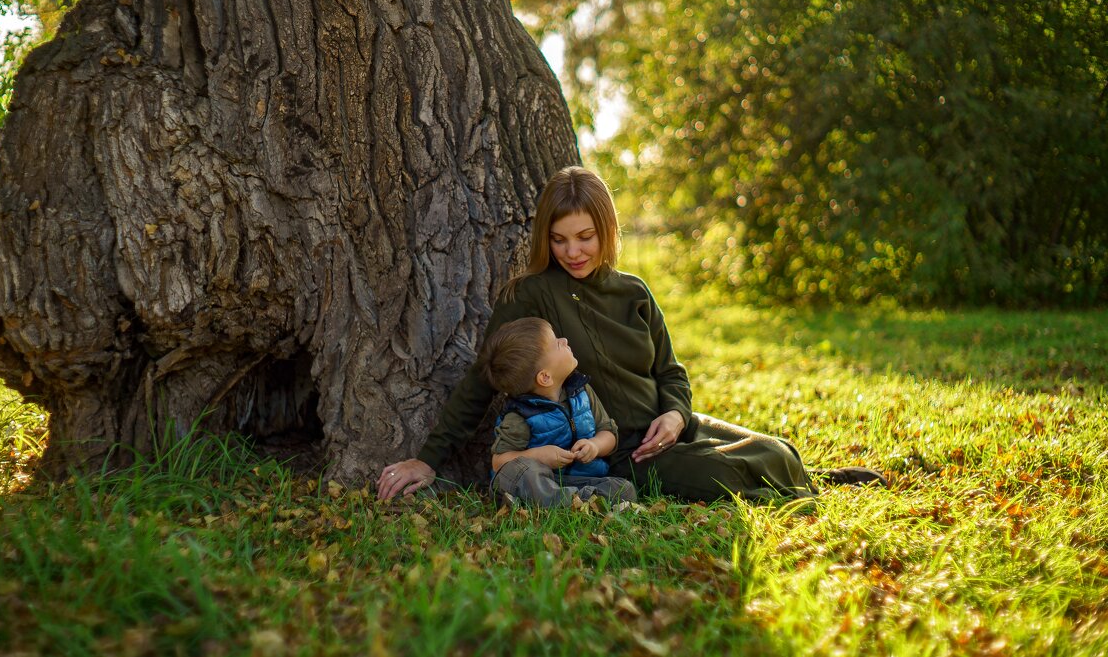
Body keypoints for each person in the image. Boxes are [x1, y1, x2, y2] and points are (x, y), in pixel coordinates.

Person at [377, 166, 885, 502]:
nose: (573, 252)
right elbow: (480, 380)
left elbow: (670, 371)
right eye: (558, 240)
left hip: (671, 428)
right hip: (619, 452)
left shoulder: (634, 292)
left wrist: (674, 414)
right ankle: (798, 487)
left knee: (778, 450)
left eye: (585, 237)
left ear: (606, 231)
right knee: (730, 475)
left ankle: (806, 477)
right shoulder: (529, 296)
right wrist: (429, 456)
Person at [481, 317, 637, 507]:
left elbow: (609, 433)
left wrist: (594, 445)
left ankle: (574, 502)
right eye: (556, 344)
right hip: (537, 483)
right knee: (525, 472)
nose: (564, 340)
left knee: (624, 489)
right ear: (545, 377)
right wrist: (539, 456)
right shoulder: (521, 414)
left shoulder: (581, 392)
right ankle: (575, 504)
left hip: (576, 482)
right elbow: (499, 463)